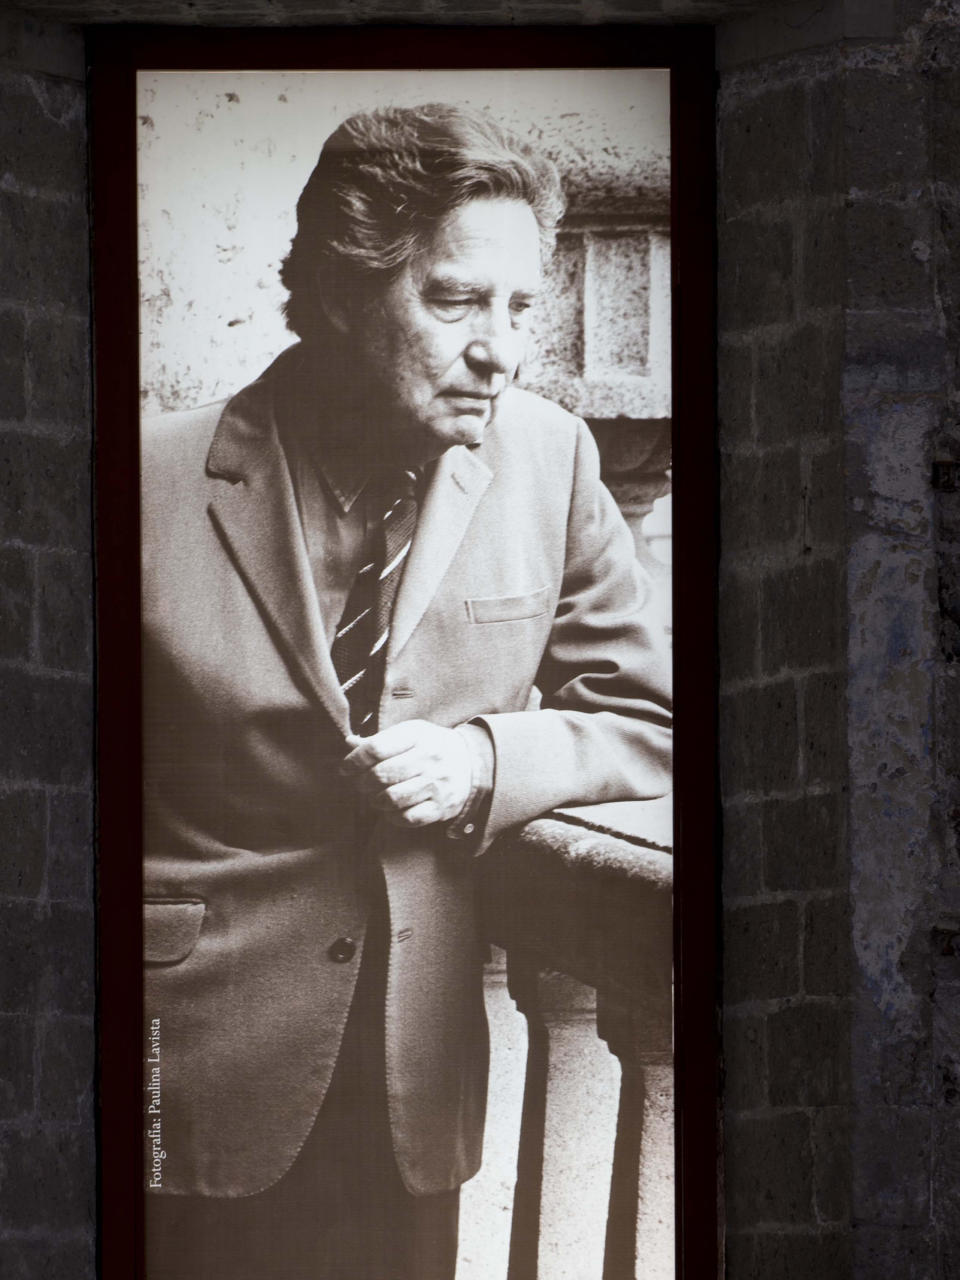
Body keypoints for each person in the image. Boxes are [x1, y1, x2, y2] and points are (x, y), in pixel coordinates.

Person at [141, 102, 672, 1280]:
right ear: (338, 291)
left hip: (413, 1074)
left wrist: (490, 758)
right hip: (182, 1067)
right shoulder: (140, 484)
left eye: (520, 306)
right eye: (455, 301)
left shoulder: (551, 459)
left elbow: (651, 720)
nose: (503, 349)